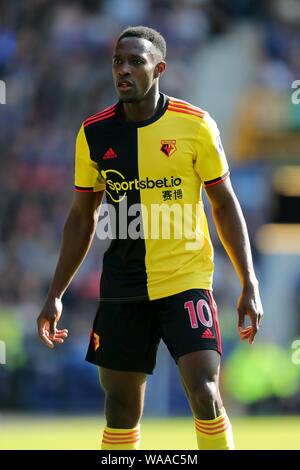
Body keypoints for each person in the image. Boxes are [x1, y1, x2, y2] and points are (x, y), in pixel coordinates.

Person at [37, 26, 263, 451]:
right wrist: (56, 293)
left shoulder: (195, 125)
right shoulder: (93, 133)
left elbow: (225, 205)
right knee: (120, 409)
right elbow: (81, 217)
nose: (124, 70)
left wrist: (248, 281)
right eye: (117, 62)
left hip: (185, 280)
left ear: (158, 68)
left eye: (135, 62)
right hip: (123, 287)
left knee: (206, 392)